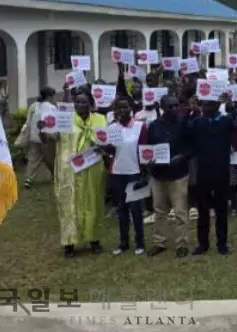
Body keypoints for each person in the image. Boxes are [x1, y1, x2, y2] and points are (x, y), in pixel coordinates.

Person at [40, 92, 107, 258]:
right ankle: (69, 243)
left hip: (91, 168)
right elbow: (50, 137)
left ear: (91, 104)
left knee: (92, 202)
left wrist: (103, 146)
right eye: (77, 102)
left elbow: (105, 140)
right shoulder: (64, 120)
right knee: (68, 205)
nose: (80, 105)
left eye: (84, 102)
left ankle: (94, 240)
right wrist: (41, 128)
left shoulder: (99, 119)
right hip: (68, 169)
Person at [186, 97, 237, 255]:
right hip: (203, 171)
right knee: (202, 209)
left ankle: (222, 243)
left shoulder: (225, 122)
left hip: (221, 170)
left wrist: (236, 122)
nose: (205, 107)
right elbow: (186, 133)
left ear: (217, 106)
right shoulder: (198, 122)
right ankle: (203, 243)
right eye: (203, 104)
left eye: (208, 104)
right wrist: (191, 112)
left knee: (221, 209)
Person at [144, 95, 190, 258]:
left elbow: (191, 146)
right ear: (162, 107)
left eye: (176, 105)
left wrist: (182, 156)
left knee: (180, 211)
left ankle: (182, 243)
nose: (174, 109)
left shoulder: (183, 124)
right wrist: (149, 162)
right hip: (158, 175)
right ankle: (159, 242)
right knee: (159, 210)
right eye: (170, 106)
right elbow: (148, 149)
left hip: (178, 174)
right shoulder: (154, 126)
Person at [105, 97, 150, 255]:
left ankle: (140, 242)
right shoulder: (111, 128)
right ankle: (124, 243)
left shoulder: (140, 126)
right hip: (117, 172)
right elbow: (111, 152)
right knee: (121, 209)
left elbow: (145, 150)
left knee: (136, 209)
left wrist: (145, 174)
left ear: (130, 109)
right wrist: (105, 147)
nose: (121, 111)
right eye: (118, 108)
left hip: (135, 173)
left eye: (124, 107)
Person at [21, 87, 57, 189]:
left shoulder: (34, 105)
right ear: (50, 96)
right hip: (46, 137)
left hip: (34, 135)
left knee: (34, 158)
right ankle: (56, 175)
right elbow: (53, 123)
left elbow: (28, 120)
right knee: (50, 157)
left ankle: (28, 178)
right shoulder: (51, 107)